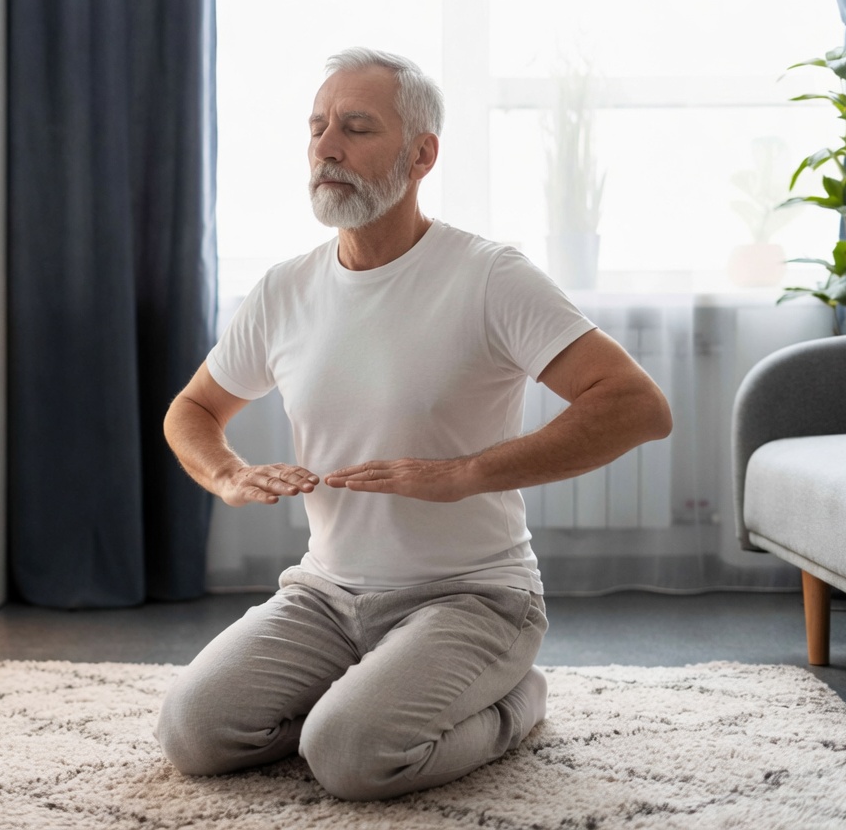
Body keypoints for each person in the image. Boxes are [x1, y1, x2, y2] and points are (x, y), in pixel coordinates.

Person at [154, 47, 672, 802]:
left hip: (473, 597)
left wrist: (463, 474)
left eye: (357, 128)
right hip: (324, 595)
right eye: (318, 127)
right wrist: (227, 472)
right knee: (193, 735)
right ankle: (369, 692)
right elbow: (192, 411)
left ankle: (514, 702)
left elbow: (637, 407)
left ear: (421, 154)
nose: (327, 146)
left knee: (349, 758)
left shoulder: (489, 276)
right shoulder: (285, 289)